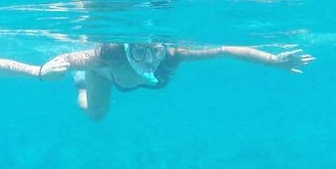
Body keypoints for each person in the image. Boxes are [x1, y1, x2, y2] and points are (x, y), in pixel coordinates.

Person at [42, 41, 315, 121]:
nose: (148, 61)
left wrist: (273, 61)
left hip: (123, 76)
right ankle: (81, 83)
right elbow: (66, 57)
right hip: (100, 75)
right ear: (125, 48)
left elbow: (225, 50)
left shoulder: (174, 55)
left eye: (155, 51)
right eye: (138, 52)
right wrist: (46, 71)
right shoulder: (107, 55)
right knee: (95, 115)